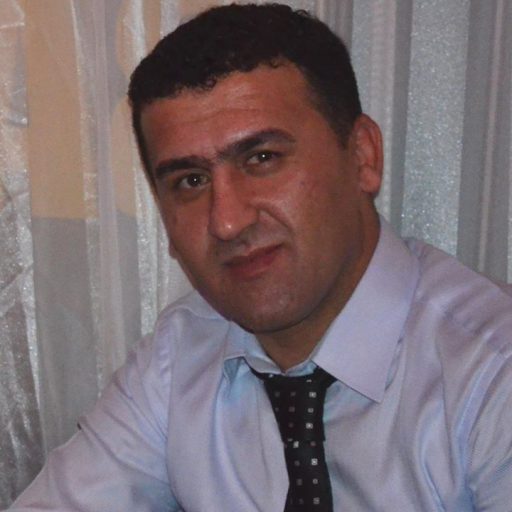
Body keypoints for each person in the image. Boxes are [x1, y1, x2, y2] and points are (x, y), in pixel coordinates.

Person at [7, 3, 512, 511]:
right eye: (190, 181)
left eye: (262, 158)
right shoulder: (179, 360)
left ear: (363, 155)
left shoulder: (491, 374)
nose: (227, 221)